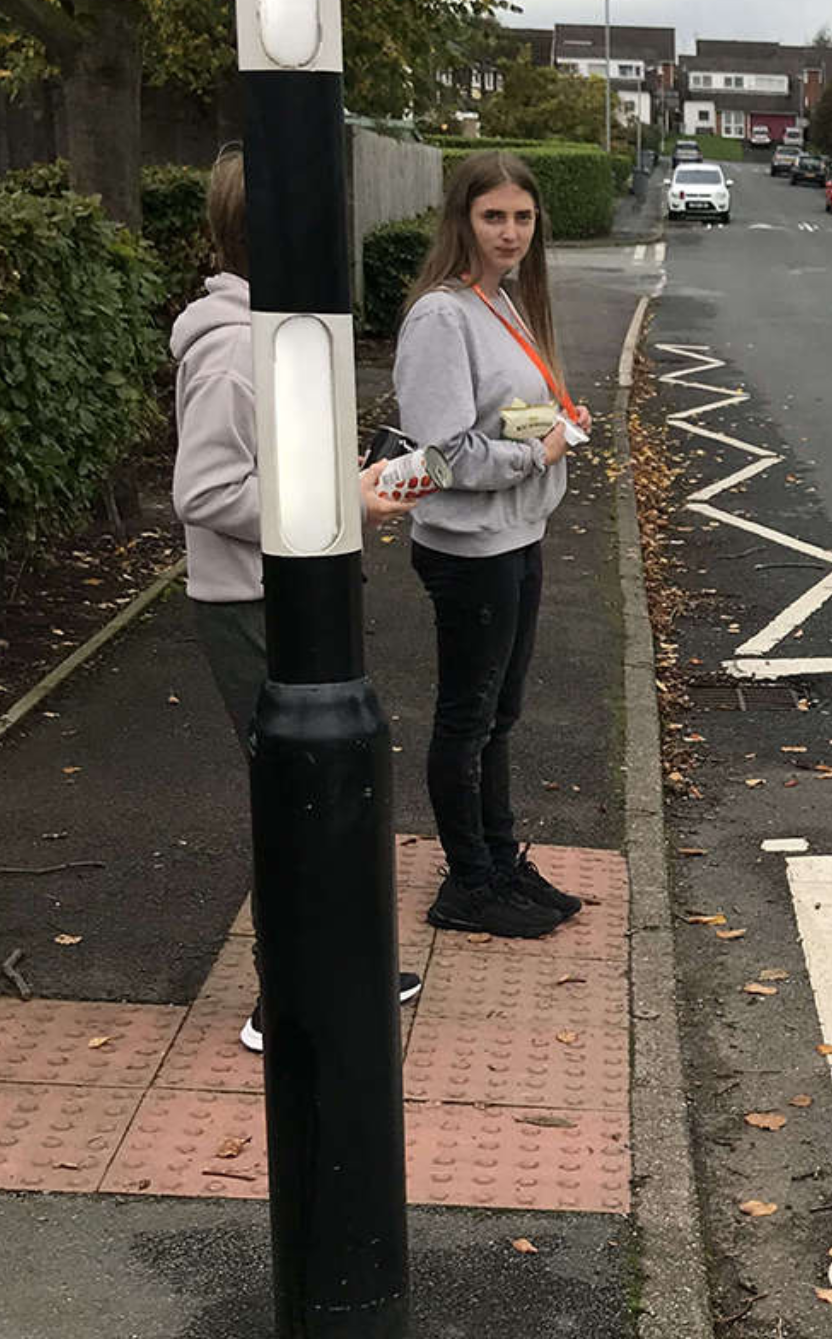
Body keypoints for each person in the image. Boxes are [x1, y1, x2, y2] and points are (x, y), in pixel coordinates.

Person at [171, 146, 426, 1052]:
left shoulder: (278, 336)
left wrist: (346, 485)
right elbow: (203, 491)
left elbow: (273, 471)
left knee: (327, 788)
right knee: (294, 797)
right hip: (248, 604)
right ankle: (279, 998)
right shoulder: (235, 354)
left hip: (289, 592)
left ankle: (340, 964)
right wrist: (332, 503)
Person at [394, 151, 591, 940]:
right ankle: (468, 882)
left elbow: (502, 414)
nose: (510, 233)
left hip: (516, 532)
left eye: (522, 217)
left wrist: (555, 425)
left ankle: (499, 859)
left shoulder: (502, 300)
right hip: (470, 545)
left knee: (499, 714)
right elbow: (440, 454)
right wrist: (536, 454)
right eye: (493, 216)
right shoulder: (443, 315)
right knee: (467, 717)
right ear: (462, 219)